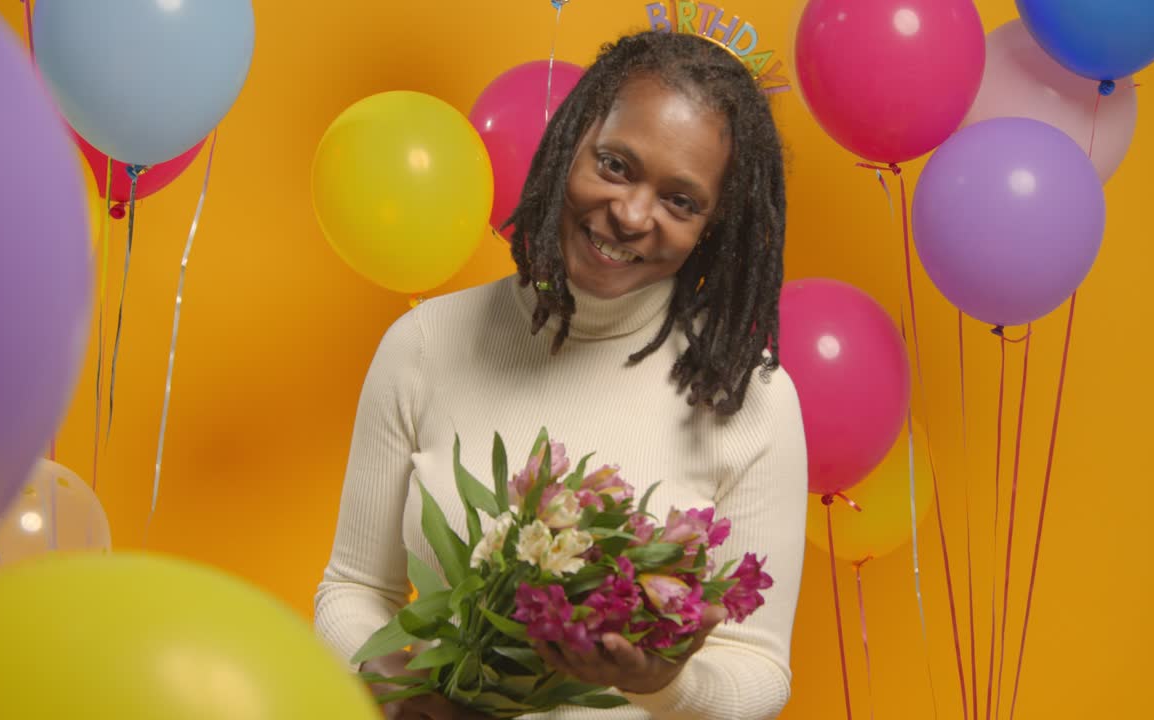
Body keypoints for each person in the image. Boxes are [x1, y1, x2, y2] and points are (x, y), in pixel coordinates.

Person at [315, 29, 807, 720]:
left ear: (715, 225)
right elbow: (353, 587)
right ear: (570, 142)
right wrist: (407, 696)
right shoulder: (425, 344)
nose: (632, 215)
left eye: (681, 201)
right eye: (615, 165)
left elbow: (760, 670)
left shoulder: (750, 401)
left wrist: (661, 683)